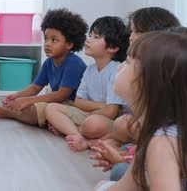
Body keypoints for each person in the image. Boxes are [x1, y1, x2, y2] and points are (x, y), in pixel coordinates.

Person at [94, 32, 187, 190]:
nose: (120, 67)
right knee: (102, 185)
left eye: (128, 63)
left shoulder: (164, 143)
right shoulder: (162, 133)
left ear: (150, 82)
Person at [0, 8, 87, 128]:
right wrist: (18, 96)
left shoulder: (74, 64)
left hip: (72, 104)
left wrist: (28, 100)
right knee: (30, 106)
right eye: (46, 39)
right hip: (58, 102)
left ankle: (12, 114)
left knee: (33, 109)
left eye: (54, 40)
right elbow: (35, 87)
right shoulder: (48, 62)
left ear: (69, 44)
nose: (47, 43)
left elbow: (62, 95)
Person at [45, 16, 129, 152]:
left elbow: (111, 112)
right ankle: (79, 136)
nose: (88, 40)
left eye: (96, 37)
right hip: (91, 114)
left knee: (93, 124)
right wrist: (101, 107)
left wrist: (89, 115)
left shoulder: (117, 70)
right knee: (51, 108)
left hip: (109, 120)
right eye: (90, 35)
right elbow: (79, 101)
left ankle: (74, 131)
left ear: (113, 47)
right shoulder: (89, 70)